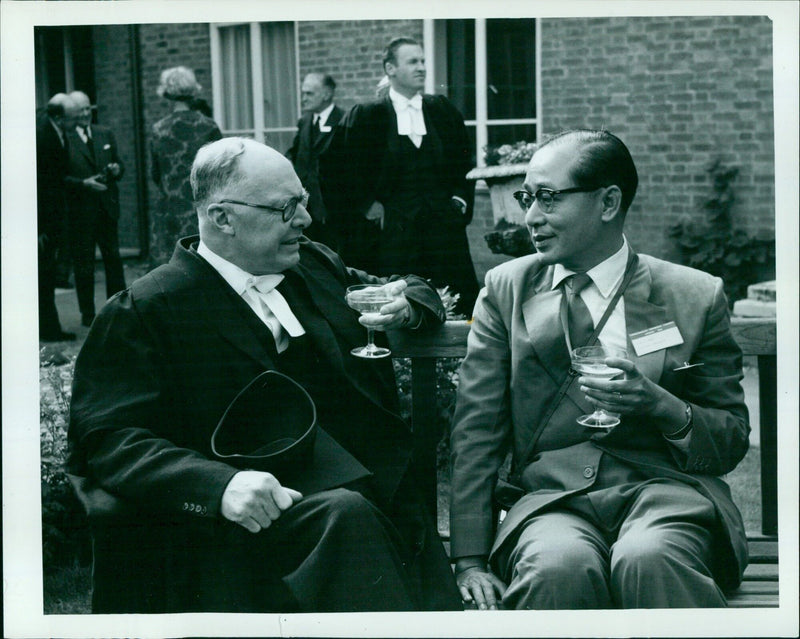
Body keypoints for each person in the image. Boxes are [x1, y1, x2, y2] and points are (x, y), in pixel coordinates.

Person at [67, 136, 462, 613]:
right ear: (222, 218)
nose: (306, 219)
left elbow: (400, 287)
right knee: (348, 516)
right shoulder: (147, 310)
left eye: (304, 202)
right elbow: (107, 439)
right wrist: (218, 486)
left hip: (359, 491)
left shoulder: (312, 265)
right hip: (246, 527)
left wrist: (410, 305)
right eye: (285, 208)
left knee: (381, 506)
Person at [449, 129, 750, 609]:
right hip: (553, 502)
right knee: (557, 567)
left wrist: (660, 404)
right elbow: (476, 431)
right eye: (528, 197)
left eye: (548, 198)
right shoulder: (507, 288)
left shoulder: (694, 294)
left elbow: (731, 436)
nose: (530, 217)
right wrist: (469, 559)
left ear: (608, 202)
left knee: (650, 557)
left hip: (666, 495)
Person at [321, 36, 479, 317]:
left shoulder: (442, 111)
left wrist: (459, 200)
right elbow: (335, 169)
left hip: (442, 231)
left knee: (453, 301)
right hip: (393, 233)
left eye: (422, 61)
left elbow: (462, 162)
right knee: (396, 300)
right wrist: (366, 204)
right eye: (413, 62)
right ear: (390, 69)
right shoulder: (368, 116)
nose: (421, 67)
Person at [63, 91, 126, 327]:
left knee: (113, 259)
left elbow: (120, 164)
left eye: (88, 109)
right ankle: (87, 314)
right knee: (84, 263)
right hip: (81, 211)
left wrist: (116, 169)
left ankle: (119, 308)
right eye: (80, 110)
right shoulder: (65, 138)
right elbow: (59, 177)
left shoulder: (104, 133)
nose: (85, 114)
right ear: (71, 113)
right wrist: (83, 184)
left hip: (106, 207)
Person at [149, 66, 222, 266]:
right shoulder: (208, 126)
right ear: (193, 91)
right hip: (202, 210)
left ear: (167, 93)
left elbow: (156, 174)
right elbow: (220, 173)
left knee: (169, 270)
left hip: (169, 210)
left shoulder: (159, 129)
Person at [286, 73, 344, 248]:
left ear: (326, 94)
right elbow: (294, 155)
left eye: (309, 94)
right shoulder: (304, 122)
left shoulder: (344, 121)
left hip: (334, 210)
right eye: (303, 93)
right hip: (305, 208)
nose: (303, 99)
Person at [36, 93, 76, 342]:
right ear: (60, 118)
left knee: (47, 275)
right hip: (44, 222)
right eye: (71, 118)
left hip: (53, 218)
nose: (75, 123)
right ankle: (48, 330)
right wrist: (38, 227)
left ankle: (50, 327)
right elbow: (38, 185)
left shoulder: (57, 134)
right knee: (43, 276)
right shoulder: (43, 138)